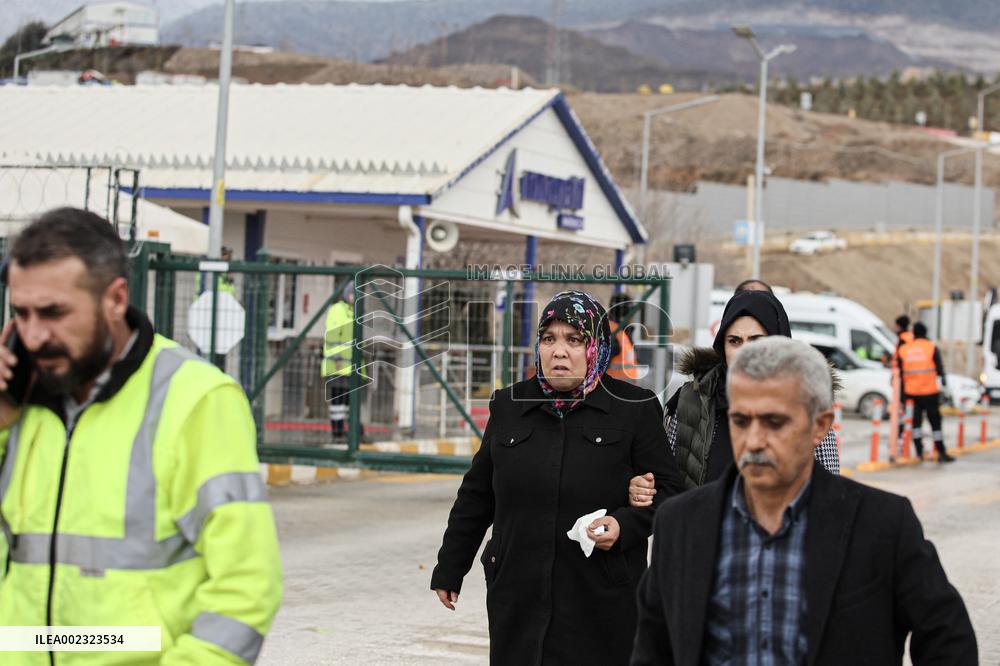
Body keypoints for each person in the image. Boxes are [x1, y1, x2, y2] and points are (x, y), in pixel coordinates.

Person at [0, 208, 282, 665]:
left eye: (53, 313)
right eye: (21, 314)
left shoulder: (196, 399)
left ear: (115, 299)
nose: (33, 337)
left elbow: (247, 588)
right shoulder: (21, 400)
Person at [631, 337, 977, 665]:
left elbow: (947, 638)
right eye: (741, 420)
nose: (754, 440)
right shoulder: (681, 524)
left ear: (820, 426)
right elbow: (652, 649)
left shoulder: (883, 524)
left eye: (774, 422)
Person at [430, 290, 684, 666]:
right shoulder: (509, 405)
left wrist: (623, 524)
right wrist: (451, 566)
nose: (559, 351)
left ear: (596, 346)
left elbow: (670, 493)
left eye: (574, 339)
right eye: (549, 339)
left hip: (601, 595)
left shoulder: (635, 409)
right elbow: (477, 495)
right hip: (518, 591)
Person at [629, 289, 840, 505]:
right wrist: (642, 488)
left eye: (756, 340)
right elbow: (665, 482)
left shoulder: (807, 404)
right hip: (703, 533)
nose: (744, 352)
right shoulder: (691, 399)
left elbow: (828, 496)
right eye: (735, 341)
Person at [897, 321, 954, 462]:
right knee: (935, 424)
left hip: (911, 394)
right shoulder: (931, 347)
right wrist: (945, 389)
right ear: (925, 333)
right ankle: (941, 452)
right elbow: (940, 369)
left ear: (913, 333)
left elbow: (899, 373)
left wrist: (902, 396)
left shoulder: (904, 349)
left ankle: (919, 452)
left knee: (916, 425)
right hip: (930, 393)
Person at [322, 280, 363, 442]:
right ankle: (338, 432)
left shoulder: (355, 311)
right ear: (346, 294)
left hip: (351, 367)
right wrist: (335, 358)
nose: (354, 297)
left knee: (348, 402)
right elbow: (332, 337)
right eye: (353, 294)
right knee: (338, 402)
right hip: (338, 365)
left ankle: (351, 431)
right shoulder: (338, 310)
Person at [607, 293, 641, 381]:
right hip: (614, 388)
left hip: (624, 388)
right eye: (630, 313)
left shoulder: (622, 333)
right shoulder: (612, 332)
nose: (632, 317)